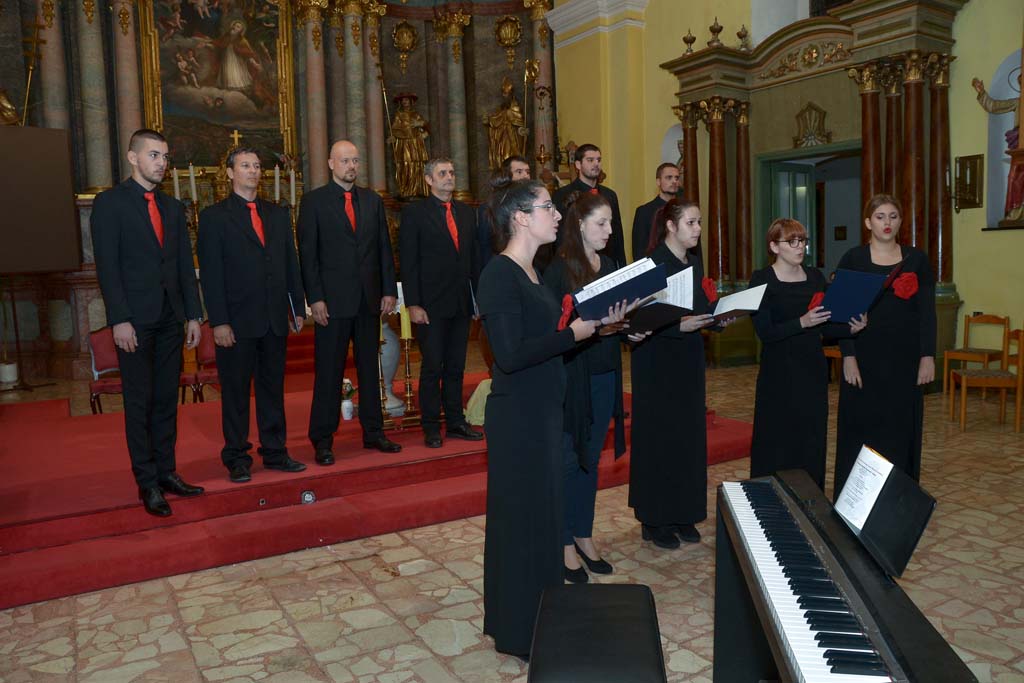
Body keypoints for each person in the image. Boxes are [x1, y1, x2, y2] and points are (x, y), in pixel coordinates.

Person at [478, 178, 624, 659]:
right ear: (520, 217)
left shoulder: (533, 271)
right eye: (547, 207)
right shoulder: (499, 274)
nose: (558, 214)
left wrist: (595, 328)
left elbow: (546, 341)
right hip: (519, 418)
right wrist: (573, 335)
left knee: (543, 521)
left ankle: (539, 618)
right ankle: (519, 630)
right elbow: (510, 354)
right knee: (523, 524)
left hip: (543, 412)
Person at [91, 128, 204, 517]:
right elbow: (108, 268)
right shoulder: (110, 204)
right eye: (154, 155)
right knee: (139, 403)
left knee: (166, 400)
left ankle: (167, 472)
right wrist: (119, 319)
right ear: (132, 157)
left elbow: (184, 266)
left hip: (171, 318)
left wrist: (193, 314)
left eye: (165, 157)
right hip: (134, 322)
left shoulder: (172, 208)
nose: (161, 163)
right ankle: (147, 482)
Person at [543, 191, 640, 583]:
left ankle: (583, 533)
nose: (609, 230)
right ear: (580, 225)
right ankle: (564, 540)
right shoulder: (559, 269)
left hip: (605, 372)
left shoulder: (612, 265)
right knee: (571, 459)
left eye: (610, 222)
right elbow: (555, 330)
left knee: (592, 460)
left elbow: (616, 319)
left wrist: (629, 328)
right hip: (574, 374)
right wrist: (600, 327)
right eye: (601, 223)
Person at [197, 147, 307, 483]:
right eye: (245, 165)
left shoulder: (277, 214)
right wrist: (219, 321)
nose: (253, 171)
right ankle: (236, 457)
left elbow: (290, 263)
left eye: (257, 166)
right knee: (235, 393)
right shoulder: (214, 217)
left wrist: (296, 306)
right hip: (236, 321)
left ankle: (275, 451)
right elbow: (211, 274)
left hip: (273, 318)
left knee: (272, 390)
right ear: (230, 173)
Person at [629, 198, 727, 549]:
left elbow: (698, 309)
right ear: (671, 226)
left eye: (699, 222)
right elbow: (637, 321)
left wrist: (719, 317)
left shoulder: (694, 262)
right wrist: (677, 326)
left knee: (688, 436)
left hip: (687, 359)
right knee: (659, 438)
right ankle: (654, 519)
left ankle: (684, 512)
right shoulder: (650, 265)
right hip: (655, 361)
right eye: (691, 223)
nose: (698, 229)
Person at [298, 140, 402, 464]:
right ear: (331, 163)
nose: (351, 166)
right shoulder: (314, 202)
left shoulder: (372, 201)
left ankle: (374, 432)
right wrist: (315, 298)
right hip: (331, 303)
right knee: (329, 372)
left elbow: (383, 248)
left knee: (370, 370)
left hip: (368, 300)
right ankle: (322, 439)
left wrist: (388, 290)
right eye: (345, 161)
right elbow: (308, 256)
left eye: (355, 160)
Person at [748, 219, 866, 490]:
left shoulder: (815, 277)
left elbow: (826, 325)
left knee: (811, 438)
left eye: (802, 241)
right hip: (778, 372)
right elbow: (765, 332)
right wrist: (802, 322)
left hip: (811, 369)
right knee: (776, 439)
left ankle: (809, 499)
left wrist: (851, 328)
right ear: (774, 247)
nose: (799, 247)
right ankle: (771, 499)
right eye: (792, 241)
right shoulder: (761, 279)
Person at [834, 194, 936, 499]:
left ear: (901, 221)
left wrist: (927, 356)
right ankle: (855, 499)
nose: (887, 223)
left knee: (901, 428)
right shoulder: (853, 259)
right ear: (868, 222)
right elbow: (842, 314)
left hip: (905, 359)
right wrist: (848, 356)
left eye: (893, 216)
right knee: (860, 428)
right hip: (864, 358)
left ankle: (897, 500)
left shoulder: (916, 260)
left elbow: (927, 313)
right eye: (880, 217)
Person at [399, 158, 483, 448]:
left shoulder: (465, 212)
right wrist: (413, 304)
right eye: (442, 173)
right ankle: (431, 426)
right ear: (429, 180)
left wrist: (477, 300)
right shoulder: (415, 213)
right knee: (433, 366)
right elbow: (409, 261)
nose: (449, 177)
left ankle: (456, 422)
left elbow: (473, 260)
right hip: (430, 304)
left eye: (452, 172)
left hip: (460, 302)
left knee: (456, 366)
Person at [547, 144, 626, 269]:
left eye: (598, 160)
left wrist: (621, 265)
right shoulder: (563, 195)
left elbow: (617, 234)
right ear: (578, 165)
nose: (596, 164)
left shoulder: (610, 195)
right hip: (575, 263)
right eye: (590, 160)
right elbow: (561, 235)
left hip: (606, 263)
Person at [477, 155, 531, 270]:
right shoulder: (489, 208)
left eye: (527, 172)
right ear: (506, 176)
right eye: (519, 172)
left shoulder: (533, 205)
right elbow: (485, 247)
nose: (525, 176)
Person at [631, 163, 680, 263]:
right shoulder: (644, 211)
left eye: (676, 178)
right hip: (656, 266)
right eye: (669, 177)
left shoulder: (685, 209)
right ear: (658, 181)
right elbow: (639, 252)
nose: (674, 181)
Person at [389, 93, 430, 198]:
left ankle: (417, 189)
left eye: (406, 100)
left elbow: (426, 126)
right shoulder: (399, 114)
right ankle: (406, 190)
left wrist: (420, 124)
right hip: (404, 143)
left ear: (411, 101)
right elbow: (394, 128)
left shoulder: (416, 114)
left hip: (415, 143)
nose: (404, 102)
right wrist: (394, 135)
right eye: (403, 100)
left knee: (417, 165)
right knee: (405, 164)